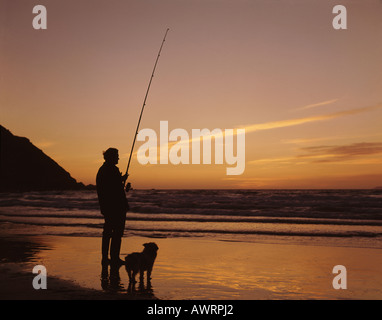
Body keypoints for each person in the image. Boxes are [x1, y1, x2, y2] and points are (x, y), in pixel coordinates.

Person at [96, 148, 130, 266]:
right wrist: (121, 181)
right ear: (111, 157)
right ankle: (113, 258)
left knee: (108, 233)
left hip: (108, 206)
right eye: (117, 156)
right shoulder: (111, 170)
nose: (118, 158)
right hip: (116, 207)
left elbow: (110, 186)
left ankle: (106, 258)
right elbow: (114, 189)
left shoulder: (104, 170)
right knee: (117, 233)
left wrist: (121, 180)